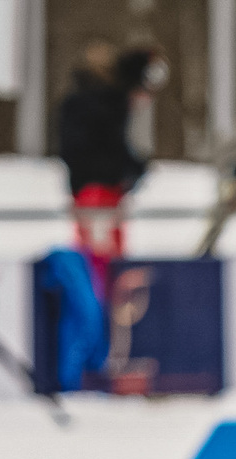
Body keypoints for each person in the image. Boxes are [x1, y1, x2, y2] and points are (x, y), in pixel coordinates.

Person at [56, 40, 147, 293]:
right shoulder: (105, 104)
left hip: (93, 188)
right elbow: (108, 145)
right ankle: (103, 307)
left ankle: (102, 305)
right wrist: (130, 168)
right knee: (102, 259)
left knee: (98, 256)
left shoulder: (78, 103)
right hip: (99, 189)